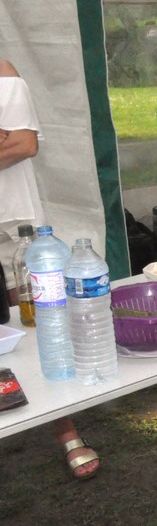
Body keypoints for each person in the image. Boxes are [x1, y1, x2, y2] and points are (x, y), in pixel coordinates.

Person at [0, 59, 101, 481]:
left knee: (30, 324)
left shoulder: (0, 71)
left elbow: (22, 144)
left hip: (9, 220)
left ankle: (66, 430)